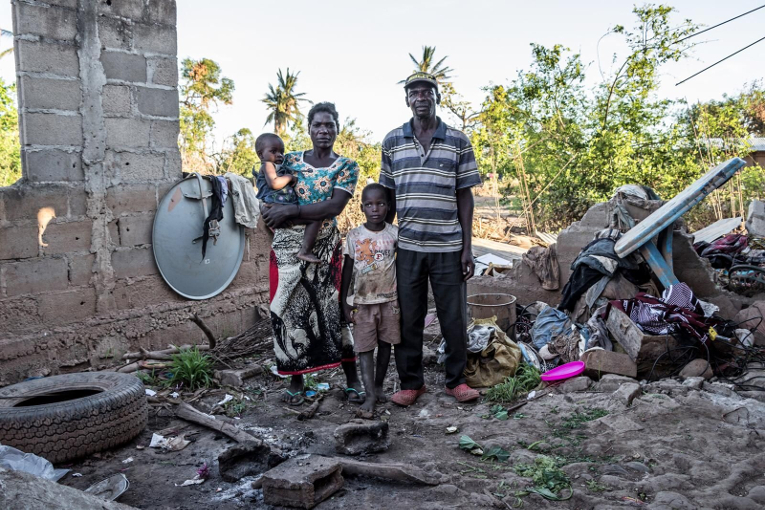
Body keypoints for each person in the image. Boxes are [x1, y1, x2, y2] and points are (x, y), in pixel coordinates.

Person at [380, 72, 482, 406]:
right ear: (407, 99)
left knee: (453, 317)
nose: (421, 97)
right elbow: (388, 196)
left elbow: (465, 195)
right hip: (408, 247)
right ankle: (412, 383)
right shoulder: (392, 141)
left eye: (427, 92)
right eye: (414, 92)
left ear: (437, 97)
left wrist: (467, 247)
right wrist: (383, 243)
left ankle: (456, 381)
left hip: (448, 247)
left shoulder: (457, 140)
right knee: (409, 317)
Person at [261, 102, 364, 406]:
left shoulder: (346, 166)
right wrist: (270, 212)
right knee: (290, 311)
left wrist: (290, 211)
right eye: (317, 125)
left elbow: (333, 207)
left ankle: (351, 378)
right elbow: (270, 194)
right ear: (308, 129)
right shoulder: (289, 161)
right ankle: (297, 379)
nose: (323, 130)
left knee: (331, 312)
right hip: (286, 248)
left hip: (324, 248)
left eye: (329, 124)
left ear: (337, 128)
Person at [339, 184, 400, 418]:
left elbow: (402, 267)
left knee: (386, 344)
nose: (375, 209)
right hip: (363, 302)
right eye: (369, 205)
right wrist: (345, 301)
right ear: (362, 207)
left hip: (390, 300)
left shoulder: (394, 234)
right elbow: (347, 270)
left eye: (381, 203)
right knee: (365, 348)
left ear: (388, 206)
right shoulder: (355, 236)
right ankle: (370, 395)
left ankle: (378, 386)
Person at [254, 133, 321, 263]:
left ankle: (301, 251)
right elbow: (274, 183)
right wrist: (289, 177)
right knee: (315, 218)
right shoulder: (268, 165)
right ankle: (305, 251)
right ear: (261, 155)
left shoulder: (280, 167)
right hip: (276, 207)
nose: (279, 155)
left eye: (282, 152)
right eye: (274, 151)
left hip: (283, 208)